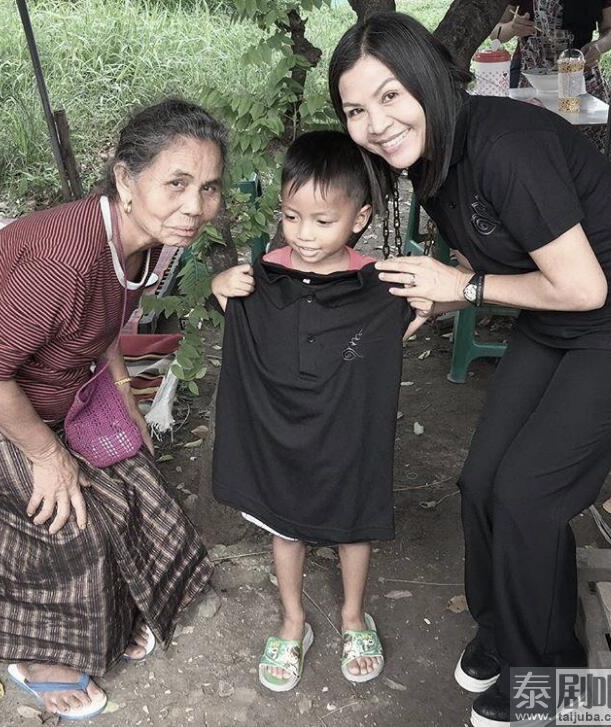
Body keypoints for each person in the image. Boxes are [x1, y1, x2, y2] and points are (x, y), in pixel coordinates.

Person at [329, 11, 611, 727]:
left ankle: (556, 688)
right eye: (355, 109)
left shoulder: (506, 145)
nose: (375, 122)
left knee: (531, 496)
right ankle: (512, 633)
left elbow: (587, 287)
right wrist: (444, 294)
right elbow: (491, 248)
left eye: (390, 96)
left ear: (430, 83)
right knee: (482, 482)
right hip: (557, 314)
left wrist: (461, 289)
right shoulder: (433, 159)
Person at [0, 98, 224, 720]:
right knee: (76, 515)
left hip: (41, 388)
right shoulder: (64, 255)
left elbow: (105, 318)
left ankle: (112, 609)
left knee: (136, 480)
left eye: (209, 188)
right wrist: (47, 454)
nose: (194, 207)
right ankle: (34, 655)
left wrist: (126, 396)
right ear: (124, 180)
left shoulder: (149, 238)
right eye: (177, 183)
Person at [210, 130, 413, 692]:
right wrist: (220, 287)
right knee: (286, 525)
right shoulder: (263, 276)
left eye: (324, 221)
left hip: (346, 430)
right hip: (280, 432)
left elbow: (415, 314)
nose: (304, 235)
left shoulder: (379, 283)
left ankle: (353, 616)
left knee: (353, 524)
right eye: (292, 217)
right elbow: (233, 311)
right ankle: (293, 621)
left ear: (361, 217)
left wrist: (419, 305)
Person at [490, 0, 611, 177]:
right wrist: (512, 27)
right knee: (526, 143)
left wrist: (598, 47)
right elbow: (495, 32)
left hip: (580, 76)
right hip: (531, 76)